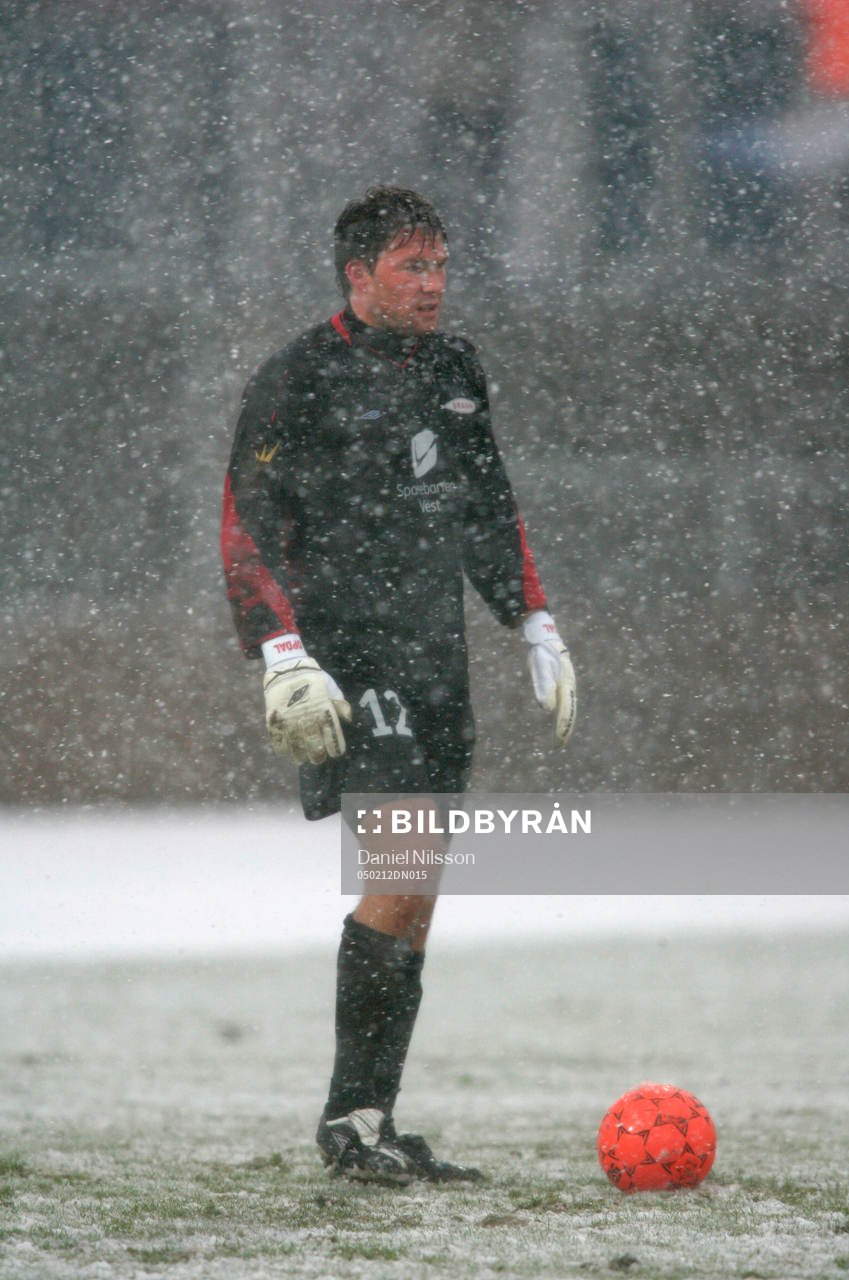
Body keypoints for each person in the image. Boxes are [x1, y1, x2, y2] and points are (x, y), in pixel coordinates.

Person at [221, 186, 576, 1184]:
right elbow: (245, 527)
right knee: (403, 857)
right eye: (413, 267)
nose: (433, 284)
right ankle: (346, 1120)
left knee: (418, 887)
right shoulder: (297, 378)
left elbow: (486, 504)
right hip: (350, 656)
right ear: (358, 273)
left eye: (441, 265)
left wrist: (533, 619)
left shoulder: (456, 368)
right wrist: (281, 651)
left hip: (434, 651)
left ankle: (375, 1116)